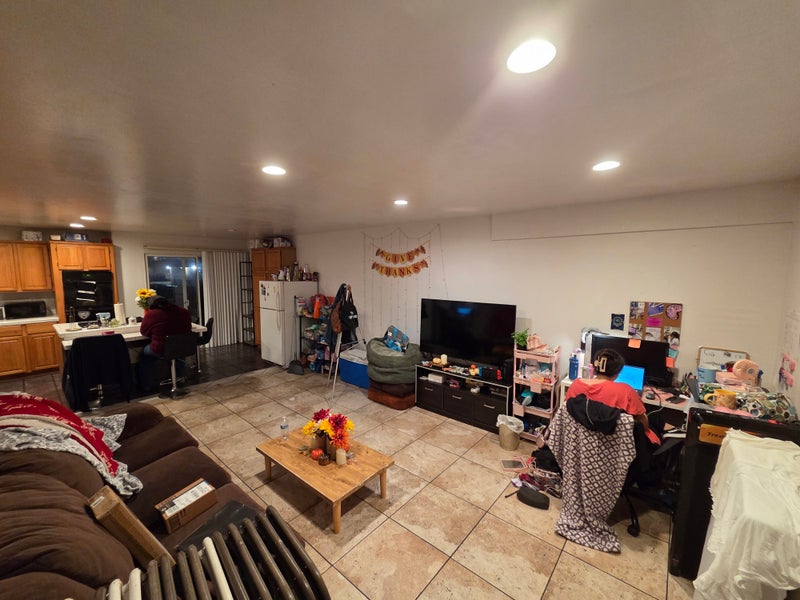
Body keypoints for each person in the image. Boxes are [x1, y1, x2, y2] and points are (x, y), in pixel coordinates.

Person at [566, 348, 662, 446]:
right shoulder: (626, 391)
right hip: (615, 447)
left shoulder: (576, 385)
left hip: (581, 445)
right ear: (617, 373)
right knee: (657, 422)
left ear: (594, 367)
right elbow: (643, 425)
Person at [136, 295, 192, 392]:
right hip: (183, 346)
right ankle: (180, 377)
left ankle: (147, 385)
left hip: (161, 348)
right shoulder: (183, 311)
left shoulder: (152, 314)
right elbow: (188, 328)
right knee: (177, 354)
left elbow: (144, 332)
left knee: (144, 356)